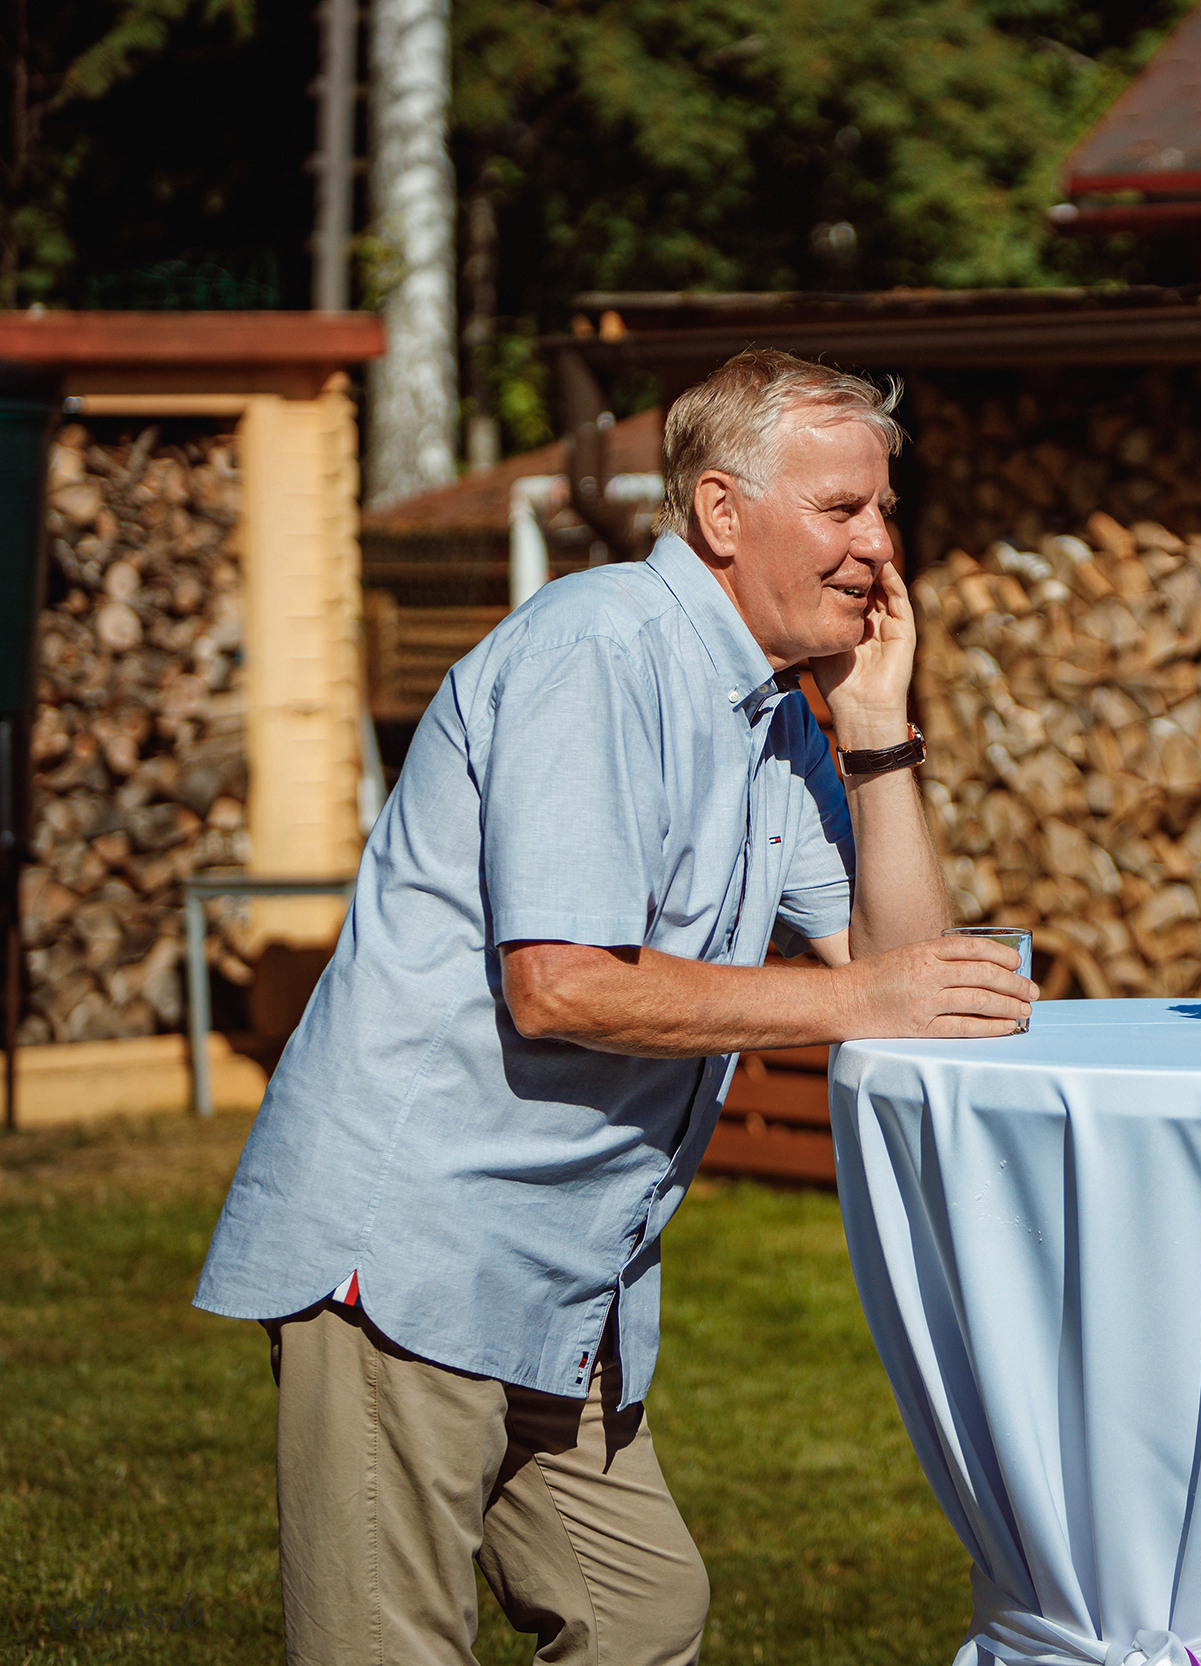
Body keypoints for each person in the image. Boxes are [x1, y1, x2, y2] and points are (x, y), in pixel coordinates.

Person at [194, 349, 1035, 1666]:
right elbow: (563, 982)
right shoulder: (599, 649)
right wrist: (866, 993)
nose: (880, 545)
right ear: (720, 513)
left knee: (638, 1610)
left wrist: (876, 731)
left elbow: (905, 977)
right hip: (413, 1243)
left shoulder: (777, 717)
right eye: (841, 508)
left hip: (563, 1267)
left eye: (883, 507)